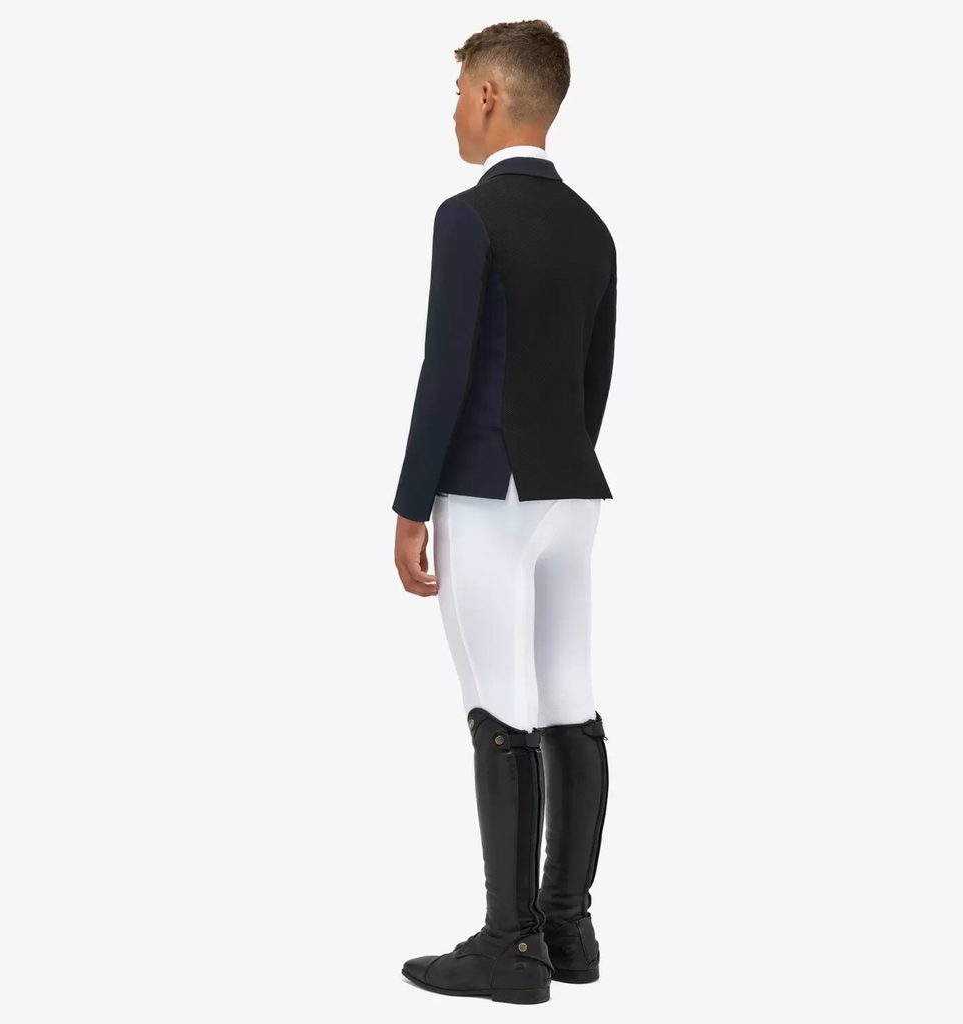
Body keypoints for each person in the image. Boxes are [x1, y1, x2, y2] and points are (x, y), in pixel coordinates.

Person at [392, 19, 616, 1004]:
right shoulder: (593, 227)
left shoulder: (467, 217)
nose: (452, 113)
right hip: (573, 491)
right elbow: (595, 373)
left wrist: (410, 504)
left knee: (499, 705)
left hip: (489, 488)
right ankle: (568, 927)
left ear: (488, 95)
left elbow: (444, 372)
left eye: (456, 94)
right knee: (570, 695)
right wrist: (561, 459)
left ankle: (509, 942)